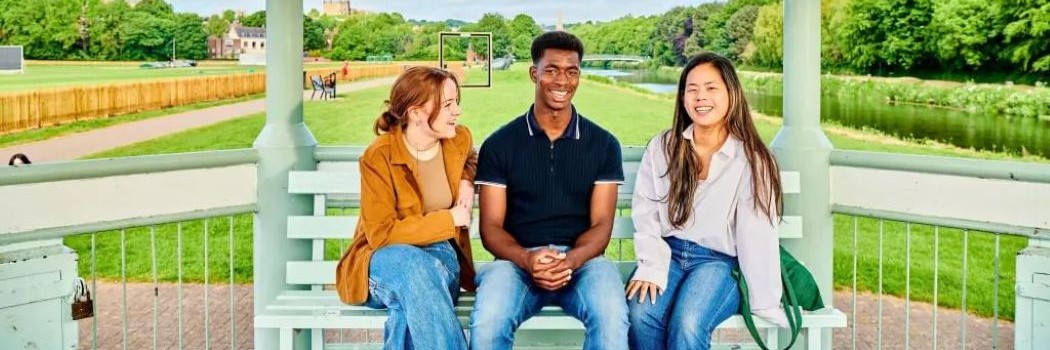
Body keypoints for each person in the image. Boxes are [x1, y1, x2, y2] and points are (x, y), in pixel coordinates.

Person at [469, 31, 629, 350]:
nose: (563, 81)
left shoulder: (604, 144)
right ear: (534, 73)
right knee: (488, 321)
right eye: (552, 70)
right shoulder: (500, 145)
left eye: (572, 71)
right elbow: (491, 228)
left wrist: (569, 261)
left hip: (583, 263)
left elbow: (601, 226)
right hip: (516, 262)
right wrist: (528, 259)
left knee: (612, 317)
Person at [625, 52, 789, 350]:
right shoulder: (664, 146)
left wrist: (764, 299)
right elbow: (646, 212)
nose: (701, 97)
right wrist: (650, 265)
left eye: (711, 88)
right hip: (668, 253)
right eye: (692, 89)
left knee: (688, 322)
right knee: (640, 314)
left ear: (731, 93)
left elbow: (757, 232)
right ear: (683, 97)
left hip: (717, 263)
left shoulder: (752, 159)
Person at [335, 66, 477, 349]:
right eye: (448, 104)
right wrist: (449, 219)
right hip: (384, 260)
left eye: (456, 102)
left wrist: (466, 182)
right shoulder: (379, 157)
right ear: (415, 113)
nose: (457, 111)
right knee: (414, 269)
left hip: (440, 257)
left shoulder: (457, 140)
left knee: (413, 298)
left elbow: (471, 159)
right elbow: (381, 235)